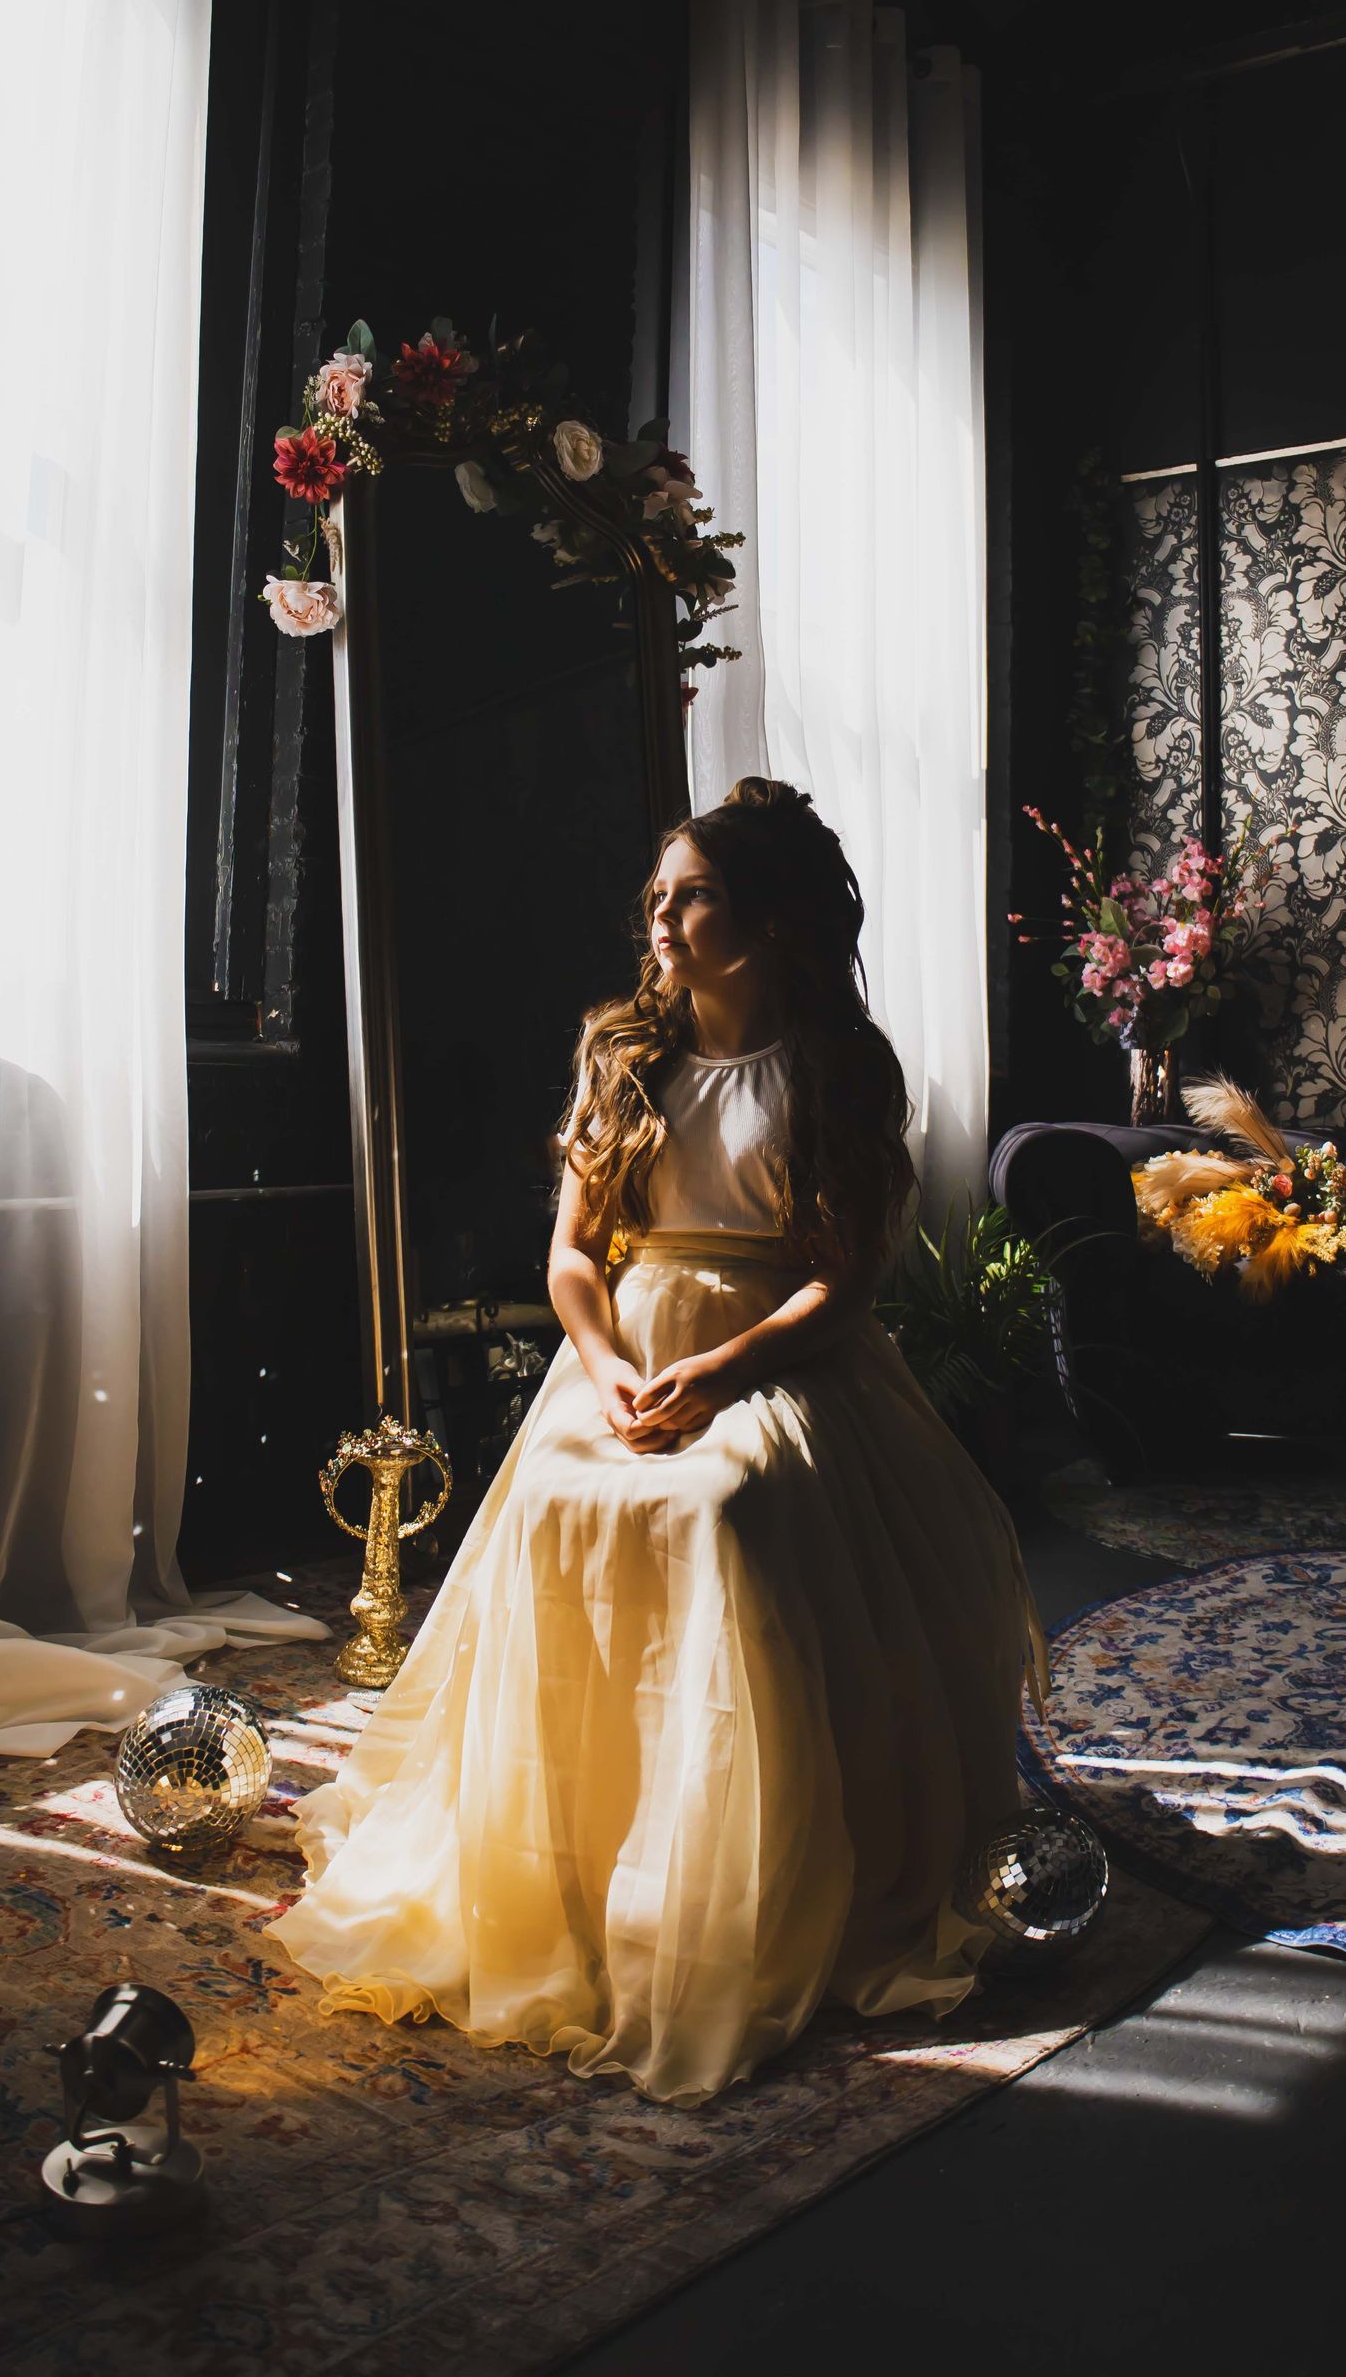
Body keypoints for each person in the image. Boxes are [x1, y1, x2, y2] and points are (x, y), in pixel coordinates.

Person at [272, 777, 1046, 2106]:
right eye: (657, 898)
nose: (662, 920)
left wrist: (723, 1370)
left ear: (771, 916)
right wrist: (612, 1368)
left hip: (776, 1354)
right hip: (623, 1357)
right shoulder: (626, 1055)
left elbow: (845, 1279)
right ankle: (566, 1855)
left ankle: (740, 1874)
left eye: (693, 897)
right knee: (556, 1505)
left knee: (723, 1512)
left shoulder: (836, 1065)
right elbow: (573, 1256)